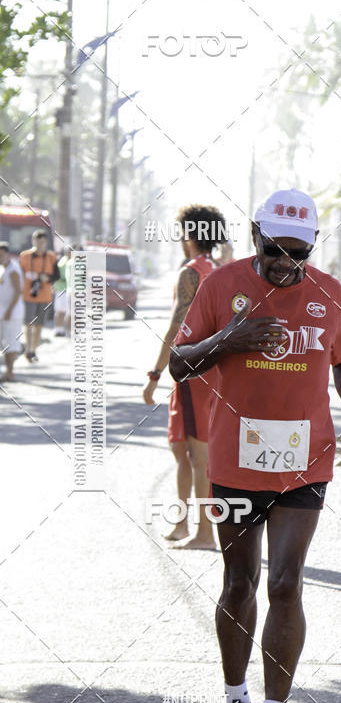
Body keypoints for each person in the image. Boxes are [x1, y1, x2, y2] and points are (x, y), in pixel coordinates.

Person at [170, 188, 341, 703]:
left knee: (286, 584)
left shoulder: (328, 293)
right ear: (256, 235)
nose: (287, 261)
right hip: (235, 460)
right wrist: (228, 339)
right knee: (240, 584)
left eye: (299, 252)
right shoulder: (220, 286)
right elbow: (181, 363)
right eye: (277, 249)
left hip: (305, 459)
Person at [143, 205, 227, 550]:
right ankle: (181, 522)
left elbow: (176, 327)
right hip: (203, 372)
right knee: (181, 449)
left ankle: (204, 534)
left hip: (194, 372)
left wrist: (154, 374)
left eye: (182, 233)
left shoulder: (192, 272)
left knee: (197, 455)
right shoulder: (219, 270)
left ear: (190, 236)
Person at [20, 229, 57, 362]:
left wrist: (46, 278)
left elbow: (56, 276)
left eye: (42, 242)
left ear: (46, 242)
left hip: (45, 296)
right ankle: (28, 349)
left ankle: (33, 350)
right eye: (37, 241)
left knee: (39, 325)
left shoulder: (51, 256)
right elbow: (19, 275)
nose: (40, 244)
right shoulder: (24, 256)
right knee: (28, 324)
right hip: (28, 296)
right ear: (33, 241)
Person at [0, 242, 24, 382]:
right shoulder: (2, 268)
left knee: (10, 343)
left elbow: (17, 292)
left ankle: (10, 372)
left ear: (7, 254)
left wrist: (9, 310)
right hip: (2, 312)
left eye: (1, 254)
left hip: (12, 313)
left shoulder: (13, 269)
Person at [53, 246, 72, 337]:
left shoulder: (70, 261)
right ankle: (58, 329)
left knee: (65, 311)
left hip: (67, 289)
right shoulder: (62, 262)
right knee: (60, 310)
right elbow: (59, 276)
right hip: (61, 289)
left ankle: (62, 329)